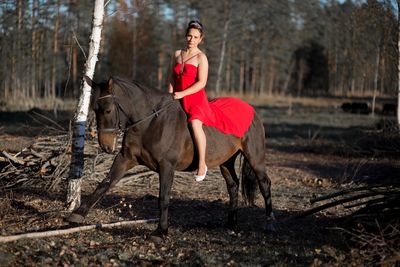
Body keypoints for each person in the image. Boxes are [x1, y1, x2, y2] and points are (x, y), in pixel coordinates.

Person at [169, 20, 255, 182]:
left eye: (195, 37)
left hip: (195, 100)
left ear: (201, 39)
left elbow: (201, 83)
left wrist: (182, 94)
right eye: (189, 36)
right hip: (177, 97)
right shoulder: (176, 54)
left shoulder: (201, 58)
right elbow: (172, 78)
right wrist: (170, 95)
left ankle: (202, 163)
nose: (191, 40)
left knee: (195, 124)